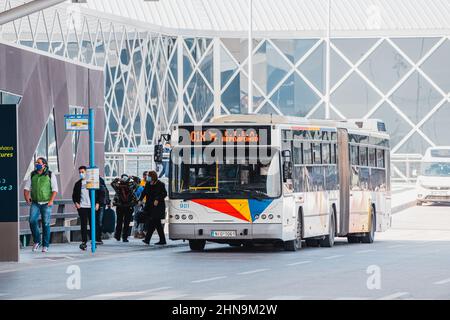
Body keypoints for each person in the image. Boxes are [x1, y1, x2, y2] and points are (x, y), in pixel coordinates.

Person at [23, 157, 58, 253]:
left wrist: (51, 200)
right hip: (35, 202)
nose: (36, 164)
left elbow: (55, 189)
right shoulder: (32, 174)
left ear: (44, 165)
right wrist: (27, 198)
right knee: (32, 221)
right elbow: (26, 188)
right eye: (36, 162)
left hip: (47, 203)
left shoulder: (50, 174)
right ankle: (37, 241)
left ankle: (45, 245)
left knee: (46, 224)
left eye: (38, 163)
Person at [72, 166, 103, 251]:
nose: (81, 174)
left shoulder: (92, 182)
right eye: (80, 172)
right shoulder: (78, 184)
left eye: (82, 172)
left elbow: (100, 193)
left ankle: (94, 241)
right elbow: (74, 195)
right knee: (83, 225)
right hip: (82, 207)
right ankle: (84, 241)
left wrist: (97, 203)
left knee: (93, 224)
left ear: (86, 172)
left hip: (92, 207)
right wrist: (76, 203)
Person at [141, 171, 168, 245]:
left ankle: (147, 239)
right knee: (156, 224)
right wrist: (140, 200)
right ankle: (162, 240)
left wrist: (157, 199)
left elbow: (164, 193)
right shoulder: (148, 184)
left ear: (153, 176)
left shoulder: (160, 184)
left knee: (153, 222)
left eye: (149, 176)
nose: (148, 177)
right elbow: (144, 193)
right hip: (150, 206)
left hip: (158, 207)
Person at [111, 174, 140, 242]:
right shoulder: (131, 186)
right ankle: (124, 237)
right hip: (128, 206)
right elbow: (138, 181)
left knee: (119, 222)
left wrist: (117, 179)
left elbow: (112, 184)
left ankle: (118, 236)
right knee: (126, 223)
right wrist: (132, 177)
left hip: (120, 206)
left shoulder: (118, 186)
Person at [133, 171, 148, 239]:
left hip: (143, 203)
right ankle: (138, 232)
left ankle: (139, 232)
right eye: (145, 175)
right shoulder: (141, 185)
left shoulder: (148, 183)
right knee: (139, 218)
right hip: (141, 203)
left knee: (139, 218)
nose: (146, 176)